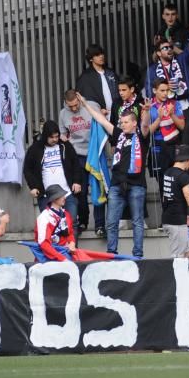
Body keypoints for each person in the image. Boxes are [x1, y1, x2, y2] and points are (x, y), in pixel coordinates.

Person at [79, 94, 147, 258]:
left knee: (137, 221)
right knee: (111, 222)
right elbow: (101, 120)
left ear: (133, 123)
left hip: (136, 184)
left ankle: (137, 254)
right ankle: (111, 253)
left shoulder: (141, 137)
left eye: (126, 122)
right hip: (117, 184)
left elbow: (145, 125)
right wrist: (86, 105)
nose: (122, 125)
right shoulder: (118, 134)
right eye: (121, 122)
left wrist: (146, 112)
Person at [23, 120, 83, 229]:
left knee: (72, 222)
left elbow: (76, 164)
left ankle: (72, 246)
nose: (55, 139)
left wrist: (77, 181)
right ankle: (53, 247)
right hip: (46, 195)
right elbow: (27, 169)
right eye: (52, 137)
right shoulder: (35, 149)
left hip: (67, 193)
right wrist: (33, 186)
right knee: (50, 226)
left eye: (57, 136)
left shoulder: (65, 146)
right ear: (45, 135)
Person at [59, 89, 103, 235]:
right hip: (77, 155)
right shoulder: (63, 114)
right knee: (80, 191)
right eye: (70, 106)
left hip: (94, 153)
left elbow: (102, 124)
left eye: (76, 105)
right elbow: (62, 133)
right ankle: (83, 221)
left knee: (97, 190)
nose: (74, 108)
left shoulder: (91, 106)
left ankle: (100, 225)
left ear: (79, 98)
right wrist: (63, 139)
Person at [142, 79, 186, 189]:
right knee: (163, 184)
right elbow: (146, 133)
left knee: (178, 181)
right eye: (162, 90)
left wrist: (172, 115)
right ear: (154, 90)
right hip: (157, 147)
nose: (165, 93)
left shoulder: (174, 103)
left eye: (167, 90)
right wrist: (159, 119)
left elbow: (182, 126)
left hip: (174, 145)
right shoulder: (148, 106)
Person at [161, 144, 189, 259]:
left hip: (170, 217)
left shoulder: (167, 173)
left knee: (188, 253)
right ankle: (173, 277)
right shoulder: (183, 176)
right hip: (177, 222)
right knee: (178, 256)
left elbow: (167, 196)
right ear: (187, 160)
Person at [144, 39, 189, 112]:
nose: (169, 49)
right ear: (159, 53)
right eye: (165, 48)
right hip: (164, 108)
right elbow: (149, 92)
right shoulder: (152, 69)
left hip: (184, 106)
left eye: (170, 47)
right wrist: (165, 88)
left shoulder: (180, 61)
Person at [34, 184, 77, 262]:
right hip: (49, 259)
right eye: (61, 196)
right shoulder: (44, 217)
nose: (64, 198)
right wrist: (62, 258)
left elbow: (70, 233)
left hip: (65, 255)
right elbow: (44, 243)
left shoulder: (66, 214)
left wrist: (72, 243)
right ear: (54, 199)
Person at [75, 44, 119, 119]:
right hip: (100, 116)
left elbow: (120, 91)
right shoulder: (85, 77)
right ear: (91, 59)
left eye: (102, 53)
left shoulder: (110, 72)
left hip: (117, 113)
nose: (101, 56)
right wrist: (97, 110)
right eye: (97, 55)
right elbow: (83, 99)